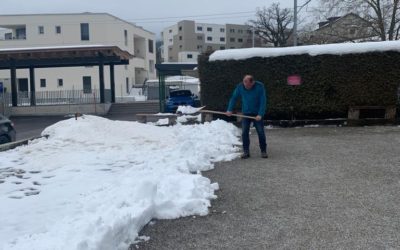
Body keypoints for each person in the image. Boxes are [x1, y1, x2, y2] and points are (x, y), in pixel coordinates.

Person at [226, 75, 268, 159]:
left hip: (257, 114)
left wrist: (260, 114)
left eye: (248, 85)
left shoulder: (259, 87)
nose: (246, 87)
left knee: (260, 132)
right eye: (245, 85)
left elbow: (263, 101)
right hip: (246, 113)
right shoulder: (240, 87)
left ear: (252, 83)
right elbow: (234, 98)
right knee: (244, 132)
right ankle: (246, 152)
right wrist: (229, 109)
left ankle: (263, 151)